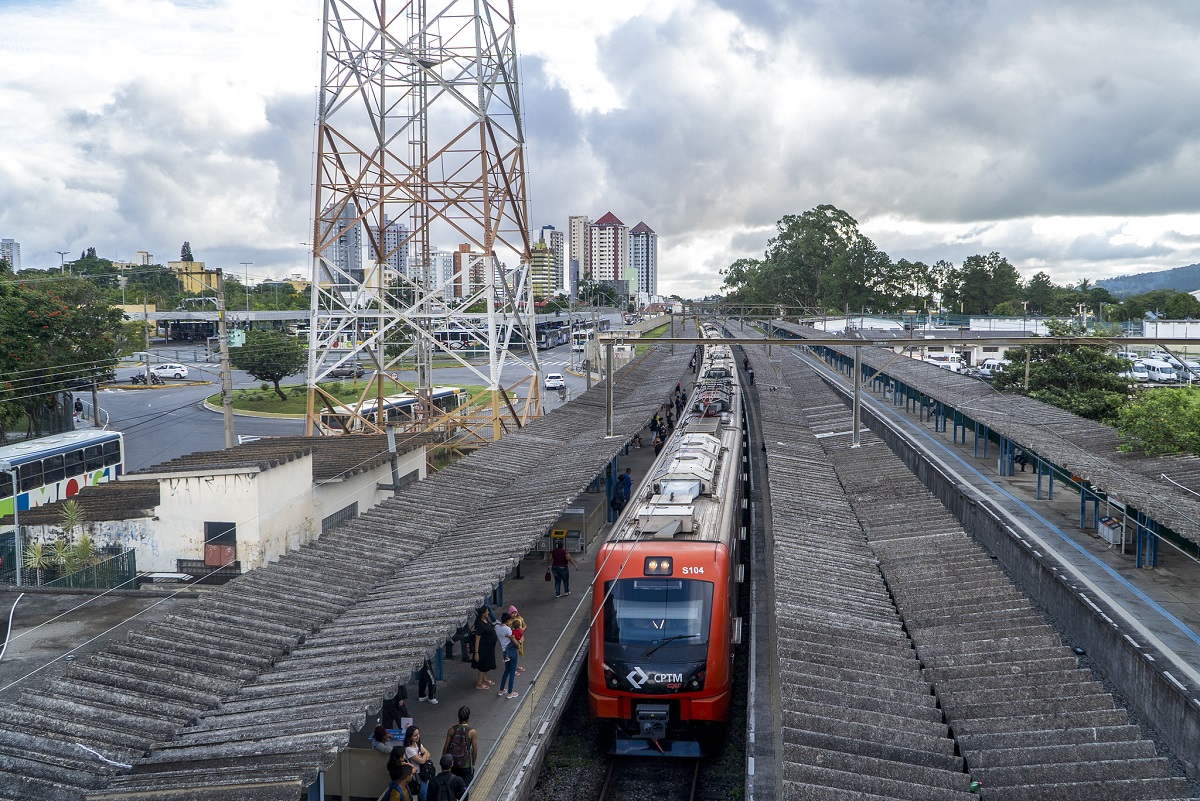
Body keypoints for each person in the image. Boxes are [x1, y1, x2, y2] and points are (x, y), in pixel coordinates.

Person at [442, 706, 478, 788]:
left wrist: (445, 763)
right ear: (468, 717)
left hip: (453, 764)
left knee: (453, 787)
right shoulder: (472, 732)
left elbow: (445, 748)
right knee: (464, 789)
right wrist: (473, 763)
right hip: (466, 765)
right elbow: (475, 750)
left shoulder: (451, 730)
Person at [404, 725, 434, 801]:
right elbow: (422, 760)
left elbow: (428, 754)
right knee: (422, 795)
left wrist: (423, 756)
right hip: (416, 775)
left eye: (418, 734)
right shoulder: (409, 749)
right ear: (410, 736)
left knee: (424, 794)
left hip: (423, 773)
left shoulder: (418, 744)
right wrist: (424, 755)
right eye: (415, 735)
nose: (417, 736)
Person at [471, 606, 498, 689]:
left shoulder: (486, 620)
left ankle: (484, 679)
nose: (488, 612)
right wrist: (476, 653)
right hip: (483, 648)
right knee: (483, 666)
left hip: (489, 648)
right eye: (487, 611)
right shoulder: (480, 624)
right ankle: (479, 684)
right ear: (482, 613)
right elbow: (477, 639)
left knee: (487, 664)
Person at [495, 612, 519, 699]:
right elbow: (514, 641)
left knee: (506, 671)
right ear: (508, 620)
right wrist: (518, 645)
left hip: (505, 651)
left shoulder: (497, 627)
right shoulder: (508, 629)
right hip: (512, 651)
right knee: (512, 672)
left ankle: (501, 690)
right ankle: (510, 692)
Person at [507, 605, 526, 674]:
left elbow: (525, 625)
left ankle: (515, 666)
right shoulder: (508, 621)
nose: (514, 614)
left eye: (515, 612)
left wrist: (521, 630)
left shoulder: (520, 619)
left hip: (520, 639)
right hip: (512, 640)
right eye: (512, 613)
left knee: (517, 653)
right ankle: (512, 668)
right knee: (512, 654)